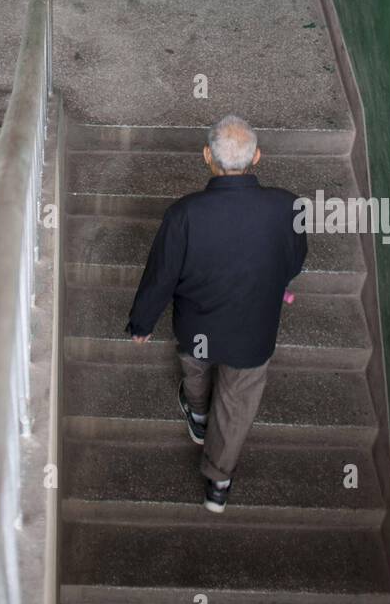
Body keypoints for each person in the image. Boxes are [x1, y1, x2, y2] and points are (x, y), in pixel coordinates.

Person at [126, 115, 306, 513]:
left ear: (207, 156)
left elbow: (161, 277)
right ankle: (219, 482)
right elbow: (293, 262)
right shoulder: (287, 205)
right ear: (257, 156)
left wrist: (142, 323)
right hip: (253, 331)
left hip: (198, 329)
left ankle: (198, 414)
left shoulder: (184, 215)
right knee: (238, 402)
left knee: (196, 369)